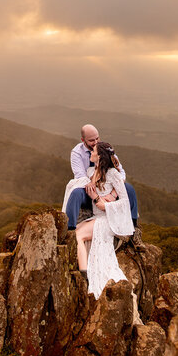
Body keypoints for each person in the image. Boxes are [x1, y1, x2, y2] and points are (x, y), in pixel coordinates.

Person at [74, 141, 134, 299]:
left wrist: (100, 200)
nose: (90, 153)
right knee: (78, 231)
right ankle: (85, 269)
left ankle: (84, 273)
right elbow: (77, 179)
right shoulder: (91, 172)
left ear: (99, 156)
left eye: (93, 151)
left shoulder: (112, 174)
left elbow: (125, 201)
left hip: (106, 219)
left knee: (78, 236)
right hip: (97, 217)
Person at [64, 124, 138, 231]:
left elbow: (120, 172)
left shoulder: (104, 149)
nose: (96, 142)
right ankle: (70, 227)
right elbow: (80, 176)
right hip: (89, 187)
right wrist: (95, 193)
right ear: (82, 140)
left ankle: (132, 222)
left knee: (129, 189)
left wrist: (113, 193)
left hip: (108, 186)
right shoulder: (77, 153)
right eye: (91, 140)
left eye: (97, 138)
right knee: (75, 193)